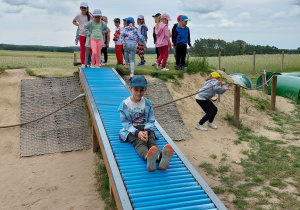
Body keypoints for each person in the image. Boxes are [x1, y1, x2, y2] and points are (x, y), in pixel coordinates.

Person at [118, 75, 174, 171]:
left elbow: (151, 119)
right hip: (132, 130)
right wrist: (137, 132)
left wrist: (147, 131)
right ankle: (148, 158)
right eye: (136, 90)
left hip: (145, 128)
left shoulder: (147, 103)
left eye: (141, 90)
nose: (139, 93)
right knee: (139, 142)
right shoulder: (125, 104)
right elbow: (125, 122)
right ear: (130, 88)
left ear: (145, 89)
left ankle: (161, 158)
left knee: (151, 141)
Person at [73, 2, 93, 67]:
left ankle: (93, 62)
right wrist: (79, 25)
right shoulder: (78, 16)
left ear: (87, 8)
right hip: (81, 34)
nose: (83, 9)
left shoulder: (90, 16)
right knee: (82, 49)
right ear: (80, 8)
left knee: (90, 48)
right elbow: (73, 21)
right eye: (82, 7)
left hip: (89, 35)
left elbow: (95, 22)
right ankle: (83, 63)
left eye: (85, 7)